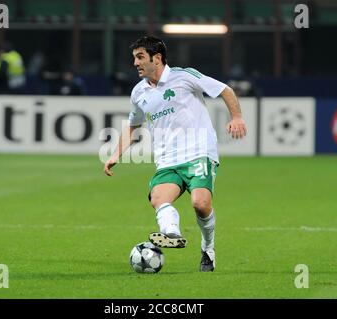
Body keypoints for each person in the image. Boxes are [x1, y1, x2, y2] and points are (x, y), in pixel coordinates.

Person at [103, 36, 247, 272]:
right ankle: (172, 234)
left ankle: (208, 248)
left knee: (200, 204)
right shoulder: (139, 92)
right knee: (159, 198)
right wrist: (116, 154)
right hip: (167, 159)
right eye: (134, 58)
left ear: (156, 58)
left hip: (199, 151)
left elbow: (225, 90)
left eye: (140, 57)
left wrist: (237, 117)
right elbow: (133, 125)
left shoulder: (184, 76)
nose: (135, 63)